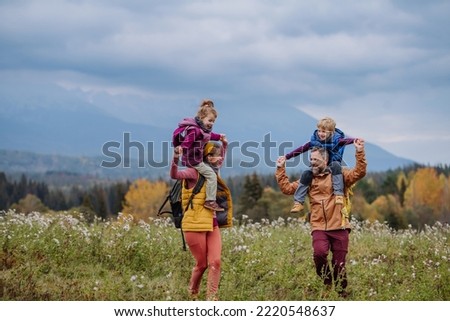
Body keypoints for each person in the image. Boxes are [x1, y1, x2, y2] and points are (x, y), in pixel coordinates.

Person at [275, 139, 367, 297]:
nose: (313, 163)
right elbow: (287, 189)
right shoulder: (308, 178)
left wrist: (359, 151)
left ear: (326, 160)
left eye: (316, 160)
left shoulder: (340, 175)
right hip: (319, 227)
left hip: (340, 226)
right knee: (319, 254)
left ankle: (341, 291)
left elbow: (359, 172)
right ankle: (327, 282)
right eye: (311, 160)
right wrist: (280, 169)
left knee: (339, 265)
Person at [170, 139, 233, 301]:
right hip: (194, 224)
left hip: (212, 224)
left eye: (219, 156)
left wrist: (224, 145)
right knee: (202, 264)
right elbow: (174, 175)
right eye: (213, 155)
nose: (218, 158)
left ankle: (212, 298)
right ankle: (192, 293)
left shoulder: (213, 171)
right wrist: (175, 158)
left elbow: (220, 159)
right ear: (205, 155)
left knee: (216, 262)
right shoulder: (193, 172)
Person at [279, 117, 358, 214]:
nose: (320, 133)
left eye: (324, 131)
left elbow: (346, 141)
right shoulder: (314, 140)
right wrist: (287, 157)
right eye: (319, 131)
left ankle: (338, 195)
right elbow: (301, 149)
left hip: (332, 166)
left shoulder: (337, 140)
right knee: (306, 174)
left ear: (331, 132)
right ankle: (298, 202)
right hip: (319, 168)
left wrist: (356, 140)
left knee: (336, 165)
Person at [175, 99, 226, 212]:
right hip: (194, 160)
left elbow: (209, 135)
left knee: (210, 170)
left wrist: (219, 137)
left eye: (213, 121)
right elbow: (188, 141)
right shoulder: (195, 130)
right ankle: (210, 201)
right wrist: (182, 148)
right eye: (210, 120)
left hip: (195, 158)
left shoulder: (202, 130)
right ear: (202, 117)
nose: (211, 123)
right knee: (212, 176)